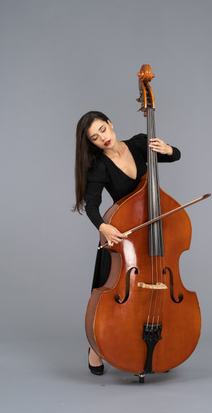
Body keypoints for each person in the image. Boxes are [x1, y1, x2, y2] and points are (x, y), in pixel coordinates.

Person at [73, 111, 181, 375]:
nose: (102, 138)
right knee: (106, 291)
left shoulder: (138, 143)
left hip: (152, 228)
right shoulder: (99, 167)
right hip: (125, 236)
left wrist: (168, 149)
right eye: (95, 138)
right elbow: (93, 206)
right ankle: (95, 347)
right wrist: (103, 226)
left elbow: (174, 155)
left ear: (110, 124)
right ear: (92, 143)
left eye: (103, 129)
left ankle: (156, 347)